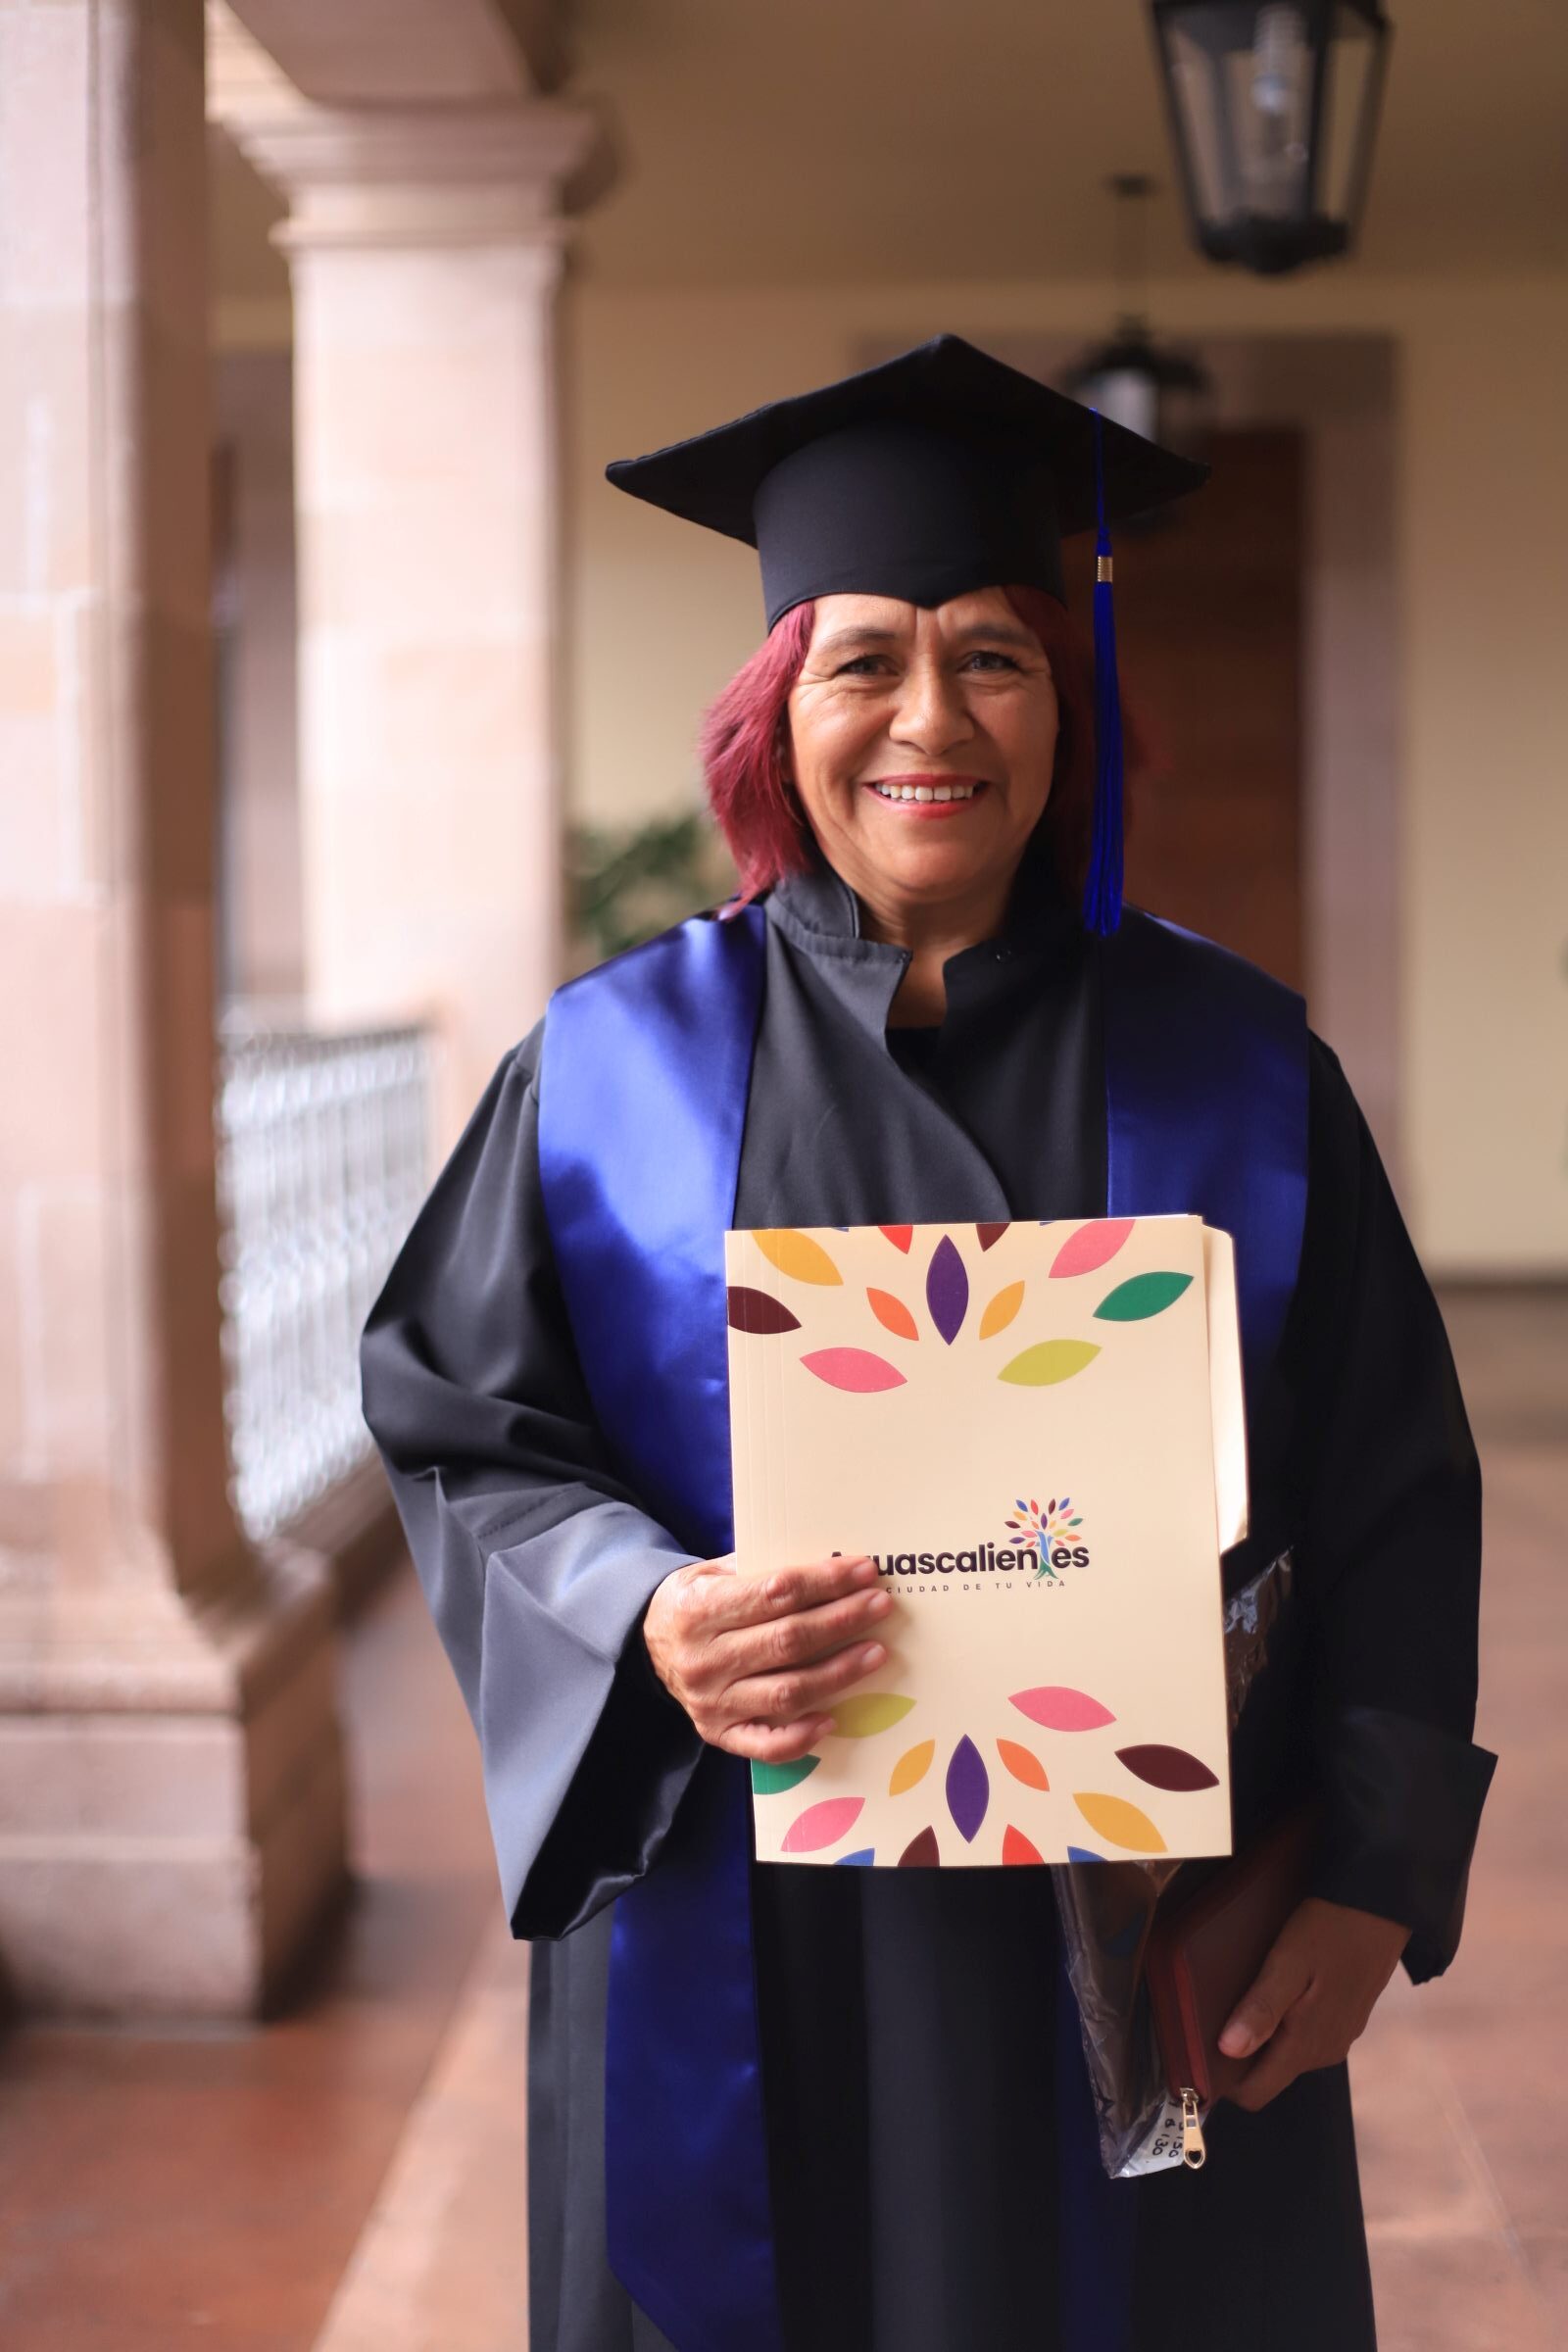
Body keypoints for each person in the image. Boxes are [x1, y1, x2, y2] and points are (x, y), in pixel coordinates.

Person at [358, 335, 1494, 2352]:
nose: (929, 717)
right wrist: (645, 1608)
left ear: (1068, 702)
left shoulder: (1238, 1066)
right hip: (750, 1905)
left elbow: (1389, 1479)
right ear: (776, 715)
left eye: (993, 656)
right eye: (861, 660)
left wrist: (1370, 1874)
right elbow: (466, 1424)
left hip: (1150, 1905)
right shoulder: (614, 1071)